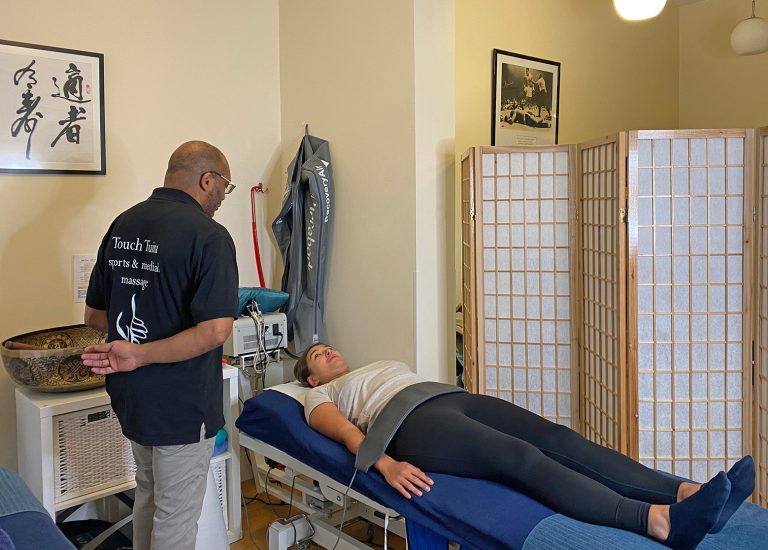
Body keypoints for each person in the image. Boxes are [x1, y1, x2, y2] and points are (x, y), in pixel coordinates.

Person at [294, 343, 755, 550]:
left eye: (329, 346)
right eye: (318, 355)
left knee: (558, 438)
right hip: (410, 424)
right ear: (312, 377)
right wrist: (387, 465)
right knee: (520, 458)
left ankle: (683, 494)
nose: (329, 351)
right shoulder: (320, 395)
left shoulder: (375, 363)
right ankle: (658, 523)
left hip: (449, 398)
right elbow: (345, 433)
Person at [82, 141, 239, 550]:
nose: (223, 197)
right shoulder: (209, 236)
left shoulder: (123, 224)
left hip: (131, 397)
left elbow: (95, 318)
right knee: (176, 515)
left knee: (148, 495)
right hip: (181, 404)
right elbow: (215, 331)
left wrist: (133, 345)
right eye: (226, 186)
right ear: (209, 180)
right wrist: (141, 353)